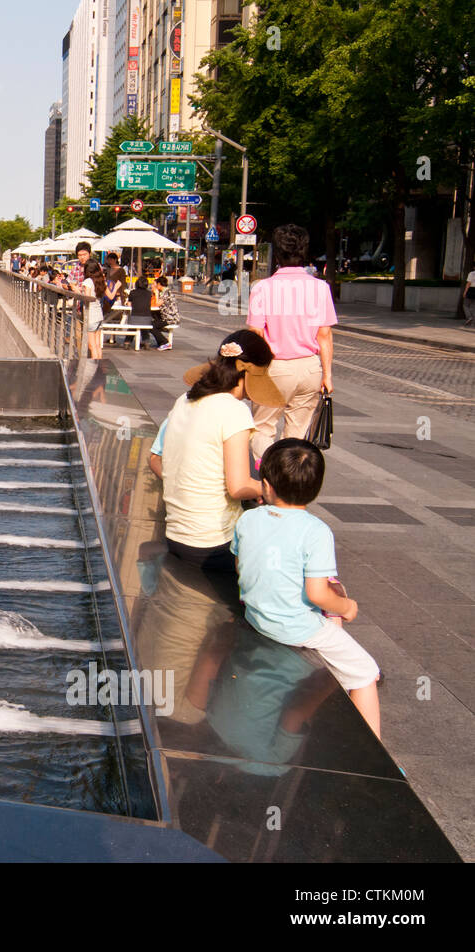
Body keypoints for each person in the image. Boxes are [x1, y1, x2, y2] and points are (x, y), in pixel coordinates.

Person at [232, 438, 381, 737]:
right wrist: (347, 607)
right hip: (296, 628)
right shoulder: (316, 531)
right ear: (314, 489)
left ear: (266, 485)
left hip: (257, 615)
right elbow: (317, 594)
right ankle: (376, 760)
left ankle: (327, 681)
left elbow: (242, 569)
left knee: (331, 620)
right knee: (366, 672)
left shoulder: (247, 519)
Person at [147, 329, 284, 573]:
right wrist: (272, 489)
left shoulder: (185, 399)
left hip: (176, 535)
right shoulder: (233, 411)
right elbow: (238, 486)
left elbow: (161, 459)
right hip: (215, 542)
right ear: (249, 374)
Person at [246, 224, 337, 463]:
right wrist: (327, 375)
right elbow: (324, 334)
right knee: (298, 433)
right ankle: (288, 484)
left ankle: (265, 477)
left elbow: (255, 331)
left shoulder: (262, 288)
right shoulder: (320, 288)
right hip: (309, 368)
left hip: (274, 366)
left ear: (276, 254)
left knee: (262, 428)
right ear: (304, 252)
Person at [80, 260, 106, 360]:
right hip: (99, 315)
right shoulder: (100, 281)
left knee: (92, 346)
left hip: (90, 316)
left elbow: (87, 298)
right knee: (98, 345)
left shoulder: (87, 282)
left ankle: (95, 368)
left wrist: (77, 291)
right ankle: (99, 366)